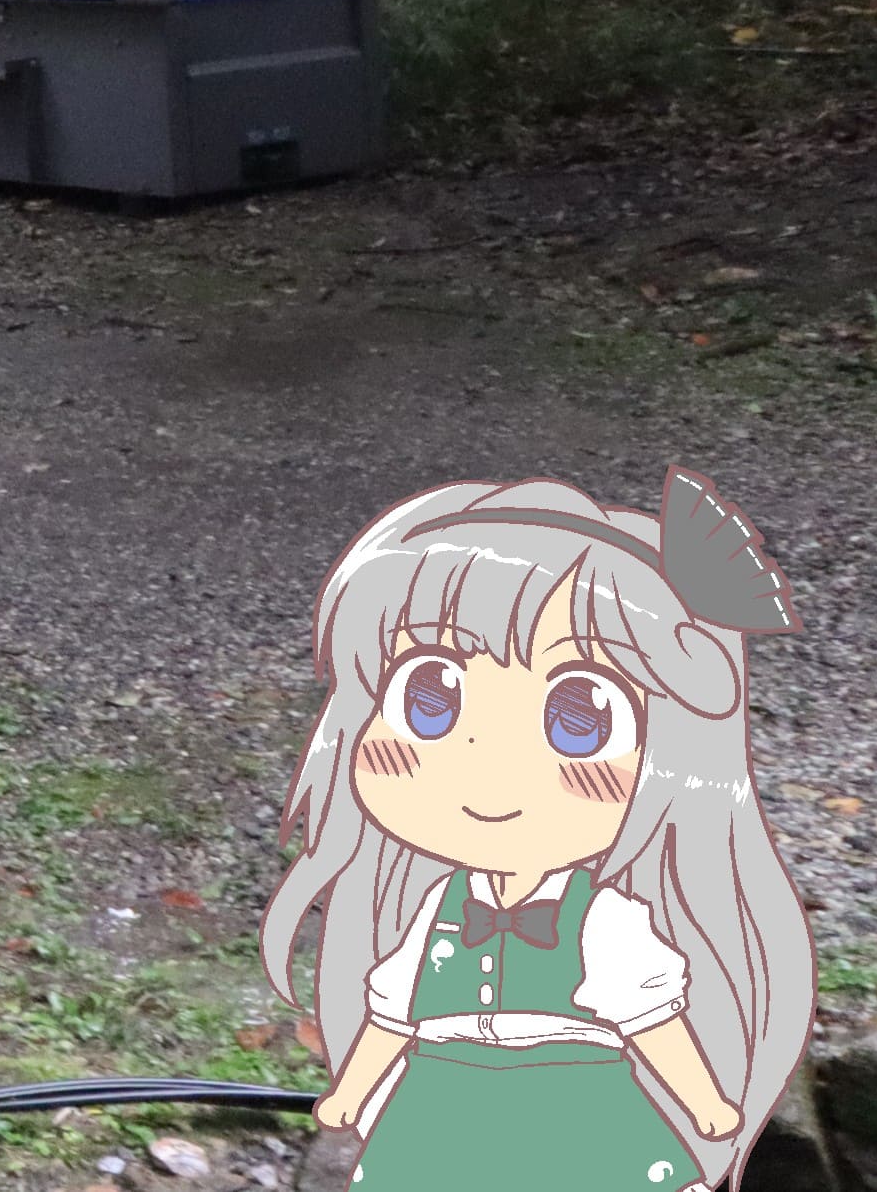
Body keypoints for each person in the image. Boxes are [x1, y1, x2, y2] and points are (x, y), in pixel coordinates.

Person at [263, 470, 812, 1191]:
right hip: (441, 1109)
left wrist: (704, 1104)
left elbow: (650, 1017)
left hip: (575, 1110)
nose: (488, 761)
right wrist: (353, 1091)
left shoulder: (605, 918)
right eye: (428, 698)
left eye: (579, 719)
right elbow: (392, 1012)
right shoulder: (434, 908)